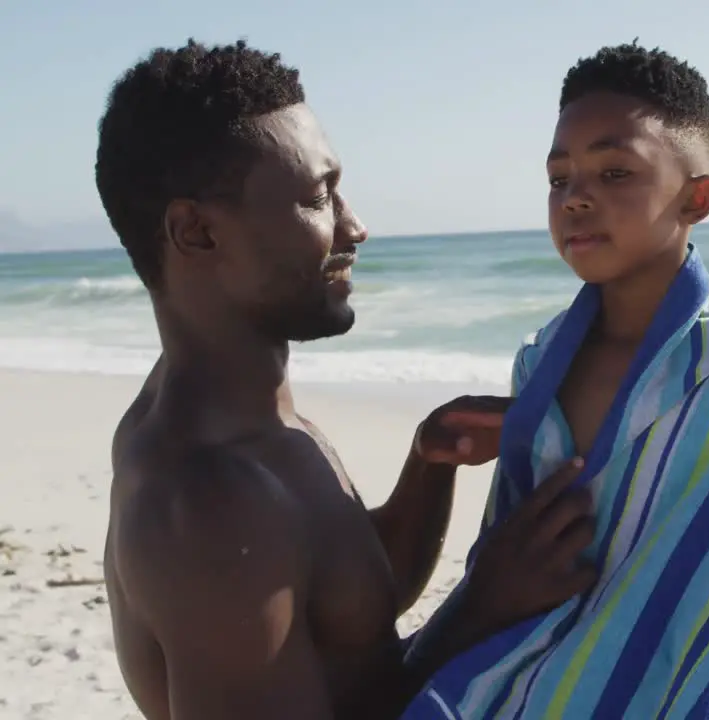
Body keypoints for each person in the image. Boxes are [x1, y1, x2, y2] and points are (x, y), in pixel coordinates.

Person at [96, 39, 596, 720]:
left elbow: (346, 607)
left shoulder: (251, 418)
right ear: (197, 232)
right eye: (316, 198)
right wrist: (483, 604)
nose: (355, 226)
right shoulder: (206, 500)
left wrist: (429, 468)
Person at [398, 43, 709, 719]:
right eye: (559, 179)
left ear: (697, 198)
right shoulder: (539, 364)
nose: (577, 198)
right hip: (541, 680)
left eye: (614, 171)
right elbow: (515, 569)